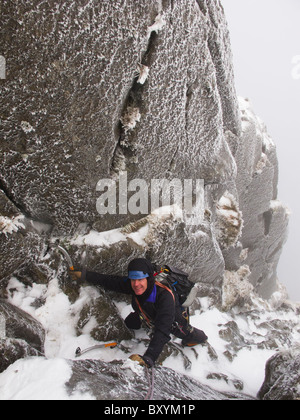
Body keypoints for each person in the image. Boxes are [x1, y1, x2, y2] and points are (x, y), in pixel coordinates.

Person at [71, 258, 207, 368]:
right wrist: (84, 275)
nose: (136, 284)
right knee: (130, 322)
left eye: (140, 280)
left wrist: (149, 358)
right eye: (133, 279)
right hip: (148, 313)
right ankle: (148, 321)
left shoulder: (165, 297)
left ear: (148, 279)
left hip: (172, 317)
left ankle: (201, 337)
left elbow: (162, 331)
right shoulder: (133, 284)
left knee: (182, 332)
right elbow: (110, 281)